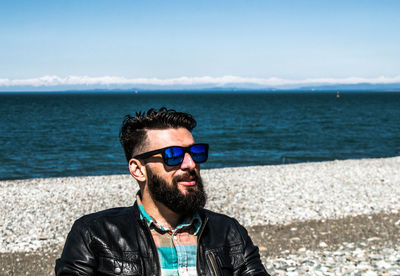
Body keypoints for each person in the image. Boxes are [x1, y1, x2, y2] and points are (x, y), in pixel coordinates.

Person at [55, 107, 269, 276]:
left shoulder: (228, 232)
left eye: (195, 152)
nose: (189, 164)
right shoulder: (95, 234)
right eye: (173, 154)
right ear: (138, 169)